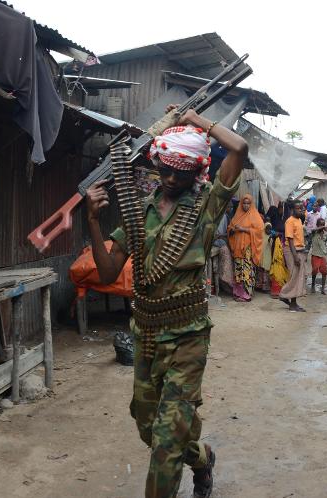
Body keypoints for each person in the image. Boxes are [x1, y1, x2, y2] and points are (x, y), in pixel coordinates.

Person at [85, 107, 247, 498]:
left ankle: (182, 453)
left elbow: (239, 148)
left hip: (188, 337)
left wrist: (197, 120)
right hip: (146, 334)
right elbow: (107, 274)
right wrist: (92, 221)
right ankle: (202, 458)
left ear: (197, 173)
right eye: (167, 169)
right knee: (148, 424)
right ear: (157, 164)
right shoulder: (139, 213)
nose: (173, 178)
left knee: (166, 442)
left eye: (183, 172)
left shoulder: (206, 206)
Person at [228, 194, 265, 302]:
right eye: (244, 203)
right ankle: (238, 293)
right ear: (241, 204)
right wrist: (233, 230)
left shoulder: (255, 216)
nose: (246, 205)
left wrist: (244, 229)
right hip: (238, 249)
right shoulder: (237, 216)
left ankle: (246, 294)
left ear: (251, 204)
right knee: (238, 271)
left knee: (247, 270)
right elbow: (230, 228)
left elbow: (259, 231)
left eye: (248, 203)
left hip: (248, 249)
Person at [279, 201, 307, 312]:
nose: (301, 210)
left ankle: (293, 303)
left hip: (299, 250)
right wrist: (295, 256)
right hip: (292, 251)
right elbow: (290, 240)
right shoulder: (289, 221)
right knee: (294, 277)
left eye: (302, 208)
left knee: (297, 277)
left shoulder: (299, 220)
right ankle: (284, 295)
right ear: (292, 210)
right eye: (298, 208)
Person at [309, 218, 327, 294]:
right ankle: (313, 285)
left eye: (323, 224)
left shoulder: (325, 233)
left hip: (322, 255)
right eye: (321, 224)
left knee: (324, 272)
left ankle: (323, 288)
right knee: (314, 271)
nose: (322, 226)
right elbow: (313, 230)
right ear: (317, 225)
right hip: (315, 255)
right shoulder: (314, 232)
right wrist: (323, 227)